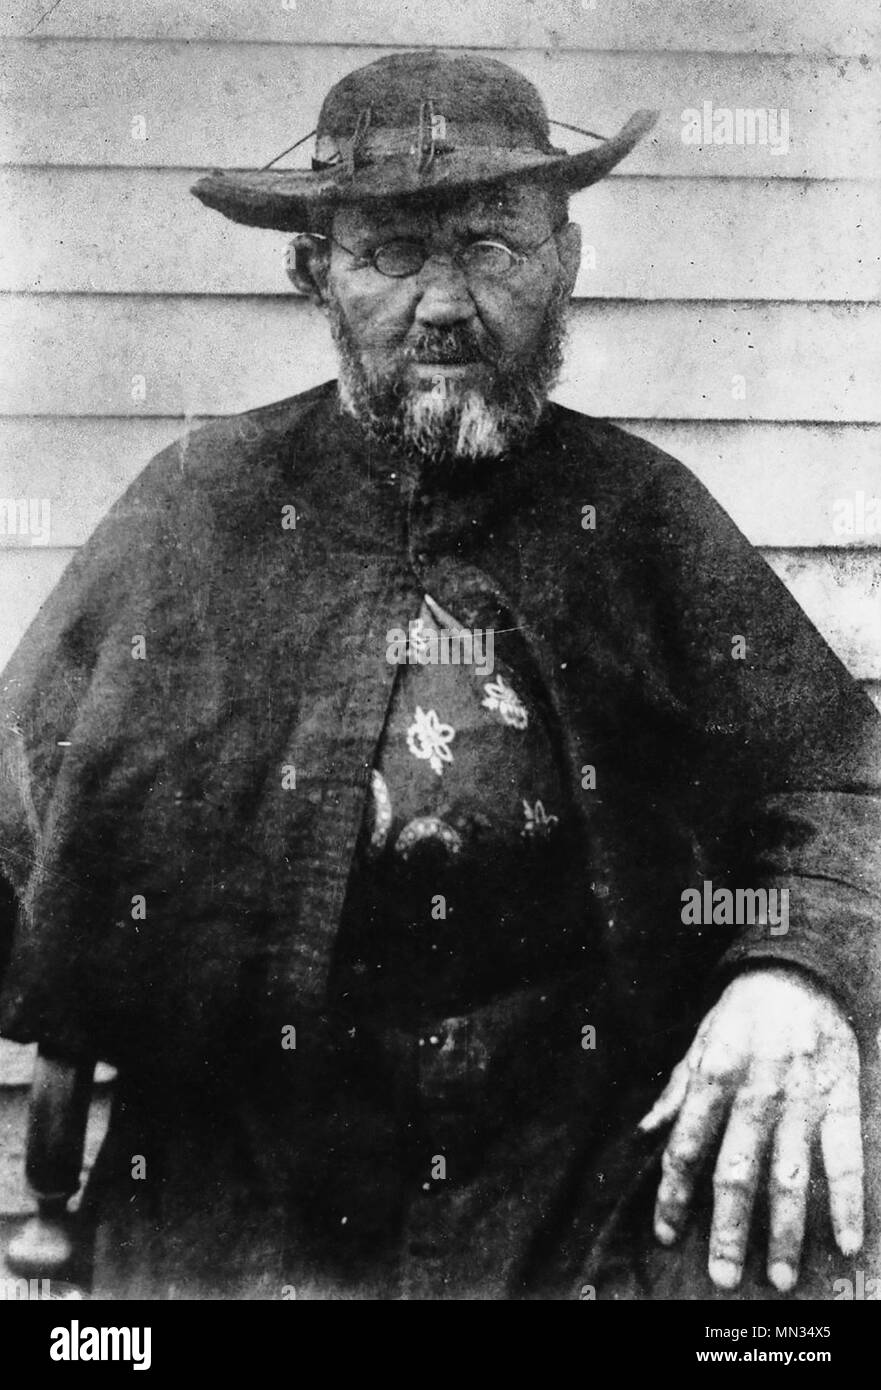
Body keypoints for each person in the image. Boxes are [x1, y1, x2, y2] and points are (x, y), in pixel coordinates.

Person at [0, 50, 879, 1301]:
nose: (446, 305)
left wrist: (795, 971)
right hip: (251, 1199)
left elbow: (842, 784)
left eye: (490, 247)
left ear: (564, 261)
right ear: (314, 273)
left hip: (578, 1189)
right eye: (393, 256)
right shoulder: (193, 518)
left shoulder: (639, 520)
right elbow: (11, 826)